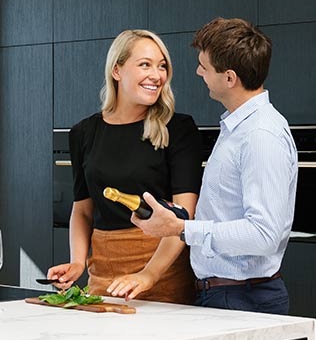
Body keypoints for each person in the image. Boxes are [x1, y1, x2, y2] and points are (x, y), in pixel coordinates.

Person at [133, 18, 297, 315]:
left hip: (243, 298)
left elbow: (264, 235)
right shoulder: (238, 127)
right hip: (229, 294)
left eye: (204, 67)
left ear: (230, 77)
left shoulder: (259, 135)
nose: (198, 72)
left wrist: (182, 228)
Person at [46, 29, 202, 304]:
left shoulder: (178, 129)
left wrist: (148, 275)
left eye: (162, 66)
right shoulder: (83, 132)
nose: (157, 75)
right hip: (103, 274)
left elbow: (184, 217)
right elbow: (82, 211)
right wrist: (78, 263)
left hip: (162, 273)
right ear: (117, 70)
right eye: (145, 64)